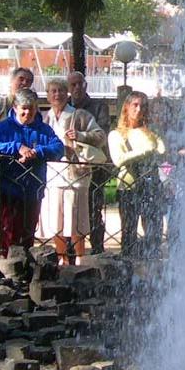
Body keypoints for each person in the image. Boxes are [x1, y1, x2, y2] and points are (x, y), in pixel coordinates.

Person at [0, 89, 64, 256]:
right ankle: (6, 265)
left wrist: (37, 152)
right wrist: (17, 147)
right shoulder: (4, 127)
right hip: (8, 188)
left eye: (31, 108)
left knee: (28, 233)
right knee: (8, 234)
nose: (27, 113)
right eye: (23, 108)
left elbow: (59, 148)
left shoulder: (44, 129)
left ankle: (26, 266)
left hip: (33, 188)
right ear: (15, 108)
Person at [41, 78, 106, 264]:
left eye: (61, 90)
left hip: (76, 175)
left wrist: (80, 135)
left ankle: (79, 258)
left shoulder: (80, 115)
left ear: (67, 93)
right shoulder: (44, 118)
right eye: (53, 91)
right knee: (55, 221)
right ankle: (62, 258)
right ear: (47, 95)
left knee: (76, 220)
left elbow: (101, 136)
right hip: (51, 176)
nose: (57, 94)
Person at [0, 67, 35, 248]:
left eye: (29, 81)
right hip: (1, 170)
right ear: (11, 81)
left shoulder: (33, 109)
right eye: (21, 79)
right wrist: (12, 148)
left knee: (23, 219)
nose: (24, 83)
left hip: (27, 173)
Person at [108, 91, 166, 257]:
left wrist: (149, 151)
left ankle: (153, 263)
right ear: (126, 107)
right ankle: (128, 265)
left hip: (151, 186)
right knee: (129, 232)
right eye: (135, 105)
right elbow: (118, 159)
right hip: (129, 187)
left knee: (154, 231)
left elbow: (162, 152)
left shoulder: (151, 132)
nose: (139, 109)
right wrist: (144, 152)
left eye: (143, 106)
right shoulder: (116, 134)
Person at [67, 71, 111, 254]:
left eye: (81, 84)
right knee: (70, 208)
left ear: (86, 85)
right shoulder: (65, 106)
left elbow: (102, 134)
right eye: (73, 84)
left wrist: (81, 136)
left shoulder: (98, 106)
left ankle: (97, 249)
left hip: (93, 166)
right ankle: (70, 250)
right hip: (70, 167)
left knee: (94, 208)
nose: (77, 87)